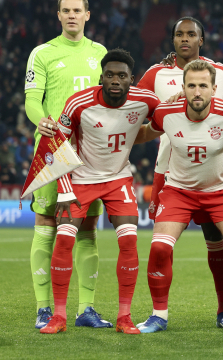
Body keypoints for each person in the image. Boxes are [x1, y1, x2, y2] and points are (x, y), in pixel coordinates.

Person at [131, 59, 223, 334]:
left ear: (214, 88)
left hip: (220, 191)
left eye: (203, 86)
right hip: (177, 191)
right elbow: (145, 133)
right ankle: (158, 315)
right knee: (160, 248)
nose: (197, 92)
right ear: (182, 88)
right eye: (192, 86)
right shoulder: (166, 112)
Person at [38, 49, 160, 334]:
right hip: (80, 178)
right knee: (65, 239)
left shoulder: (146, 100)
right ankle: (58, 316)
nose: (115, 80)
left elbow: (169, 116)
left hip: (119, 179)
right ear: (101, 77)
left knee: (129, 241)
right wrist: (65, 191)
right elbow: (58, 145)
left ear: (132, 79)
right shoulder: (78, 103)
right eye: (109, 75)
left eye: (121, 75)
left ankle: (125, 317)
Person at [24, 0, 108, 329]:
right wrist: (40, 119)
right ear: (58, 15)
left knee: (87, 227)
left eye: (77, 10)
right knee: (46, 222)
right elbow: (32, 99)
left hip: (91, 152)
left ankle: (85, 309)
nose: (72, 15)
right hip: (52, 150)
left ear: (88, 14)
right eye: (66, 10)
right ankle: (44, 308)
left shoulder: (100, 53)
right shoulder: (42, 53)